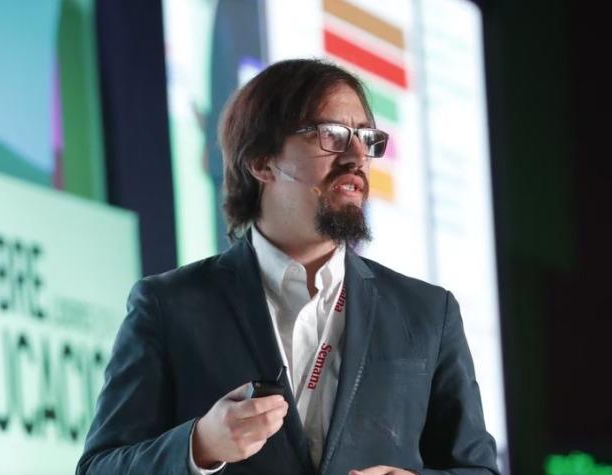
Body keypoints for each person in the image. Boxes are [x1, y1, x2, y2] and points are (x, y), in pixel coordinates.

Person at [77, 59, 499, 475]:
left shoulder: (428, 313)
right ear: (262, 161)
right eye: (332, 135)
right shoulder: (169, 306)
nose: (357, 156)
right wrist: (199, 445)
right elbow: (99, 468)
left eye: (366, 138)